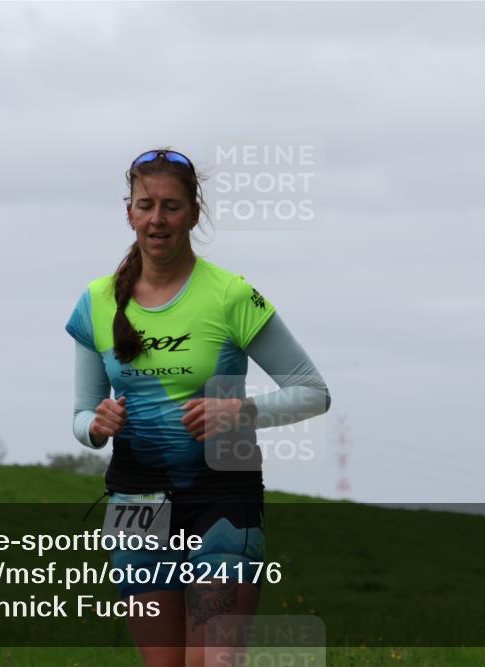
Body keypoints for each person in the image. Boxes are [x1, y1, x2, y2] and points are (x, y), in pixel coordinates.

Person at [65, 148, 331, 667]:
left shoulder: (231, 294)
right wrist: (95, 427)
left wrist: (242, 413)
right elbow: (81, 418)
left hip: (223, 497)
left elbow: (312, 391)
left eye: (171, 206)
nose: (157, 219)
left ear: (193, 213)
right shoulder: (95, 301)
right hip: (135, 501)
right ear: (130, 213)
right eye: (145, 206)